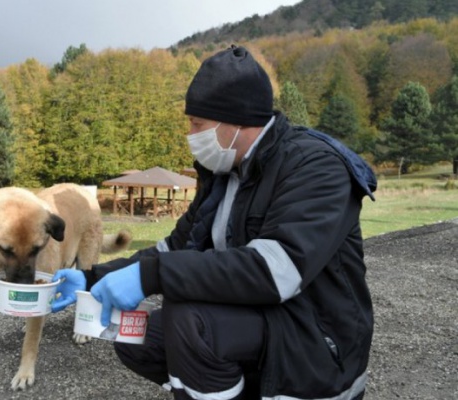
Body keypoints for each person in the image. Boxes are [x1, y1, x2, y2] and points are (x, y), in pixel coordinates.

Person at [51, 45, 376, 400]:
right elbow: (172, 249)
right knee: (136, 334)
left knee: (188, 319)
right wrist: (92, 276)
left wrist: (151, 276)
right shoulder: (225, 172)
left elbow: (275, 271)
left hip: (312, 339)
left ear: (236, 121)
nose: (191, 135)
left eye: (197, 124)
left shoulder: (315, 167)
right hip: (256, 321)